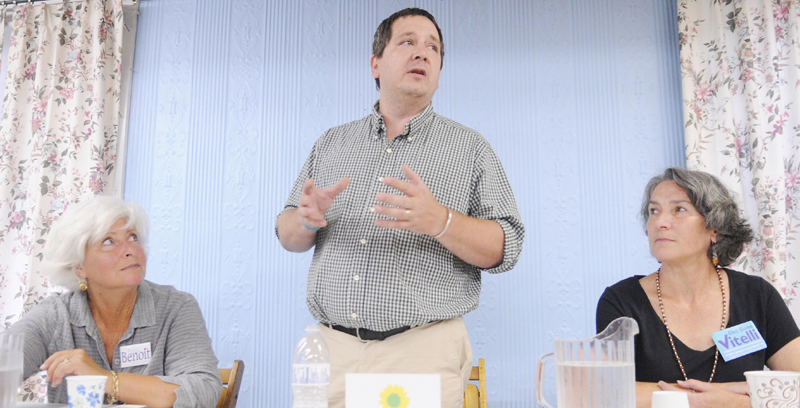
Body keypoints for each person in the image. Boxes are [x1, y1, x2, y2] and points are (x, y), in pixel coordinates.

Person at [276, 7, 524, 408]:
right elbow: (286, 233)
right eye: (407, 42)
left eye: (433, 48)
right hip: (330, 351)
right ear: (375, 64)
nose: (422, 53)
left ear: (440, 69)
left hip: (419, 351)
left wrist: (440, 221)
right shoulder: (332, 143)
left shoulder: (469, 148)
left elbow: (507, 247)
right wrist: (305, 221)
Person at [596, 168, 800, 408]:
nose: (660, 222)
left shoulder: (757, 296)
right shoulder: (621, 301)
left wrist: (737, 404)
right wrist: (715, 396)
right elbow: (608, 391)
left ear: (715, 227)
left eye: (679, 209)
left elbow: (795, 386)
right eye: (654, 211)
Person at [8, 196, 222, 408]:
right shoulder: (56, 315)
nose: (131, 250)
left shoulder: (176, 307)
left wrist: (105, 379)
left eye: (133, 237)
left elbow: (203, 391)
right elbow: (5, 358)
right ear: (79, 266)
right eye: (109, 241)